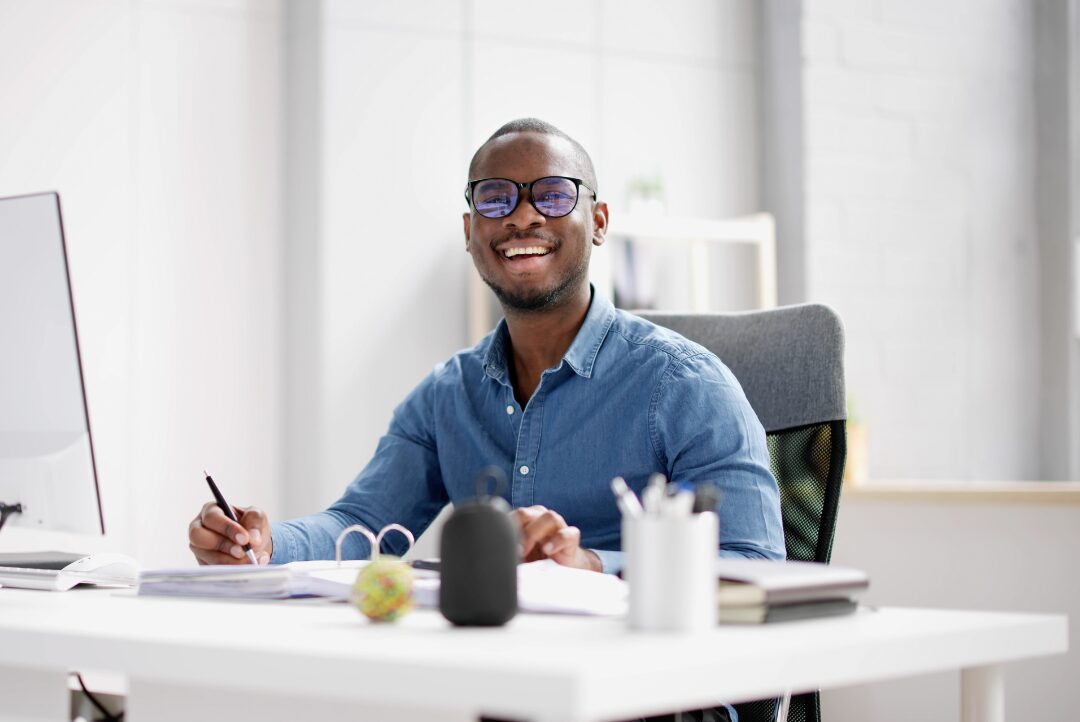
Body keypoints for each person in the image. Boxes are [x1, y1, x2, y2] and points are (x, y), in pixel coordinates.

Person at [188, 118, 784, 574]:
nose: (522, 217)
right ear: (470, 231)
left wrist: (593, 566)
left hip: (646, 681)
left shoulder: (686, 385)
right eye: (496, 198)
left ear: (599, 222)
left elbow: (756, 564)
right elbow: (362, 525)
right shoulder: (447, 396)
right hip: (497, 675)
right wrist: (266, 544)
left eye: (553, 195)